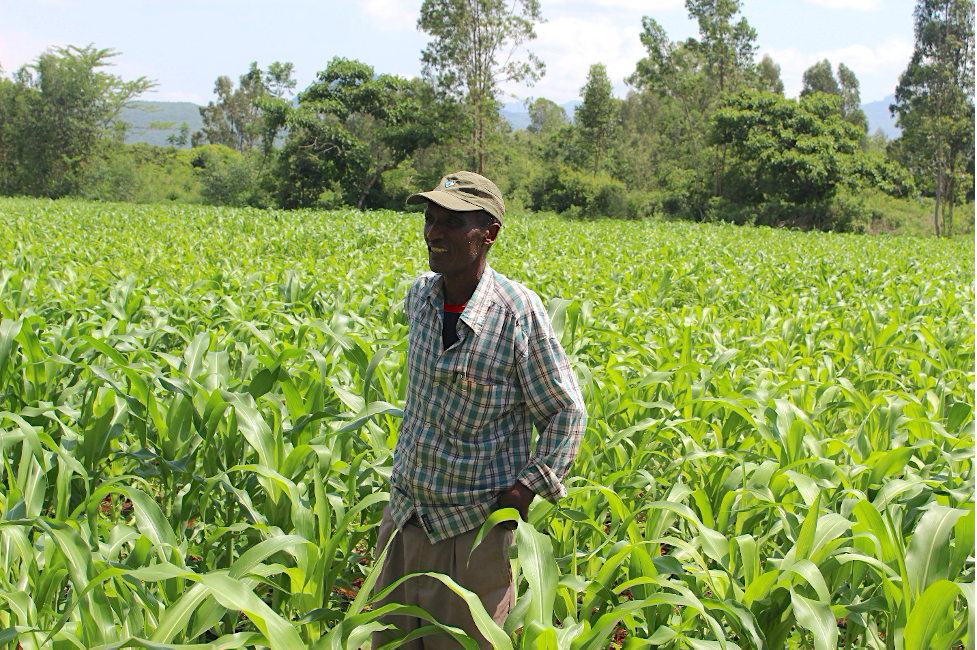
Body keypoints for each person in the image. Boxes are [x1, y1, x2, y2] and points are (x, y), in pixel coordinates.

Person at [371, 171, 587, 649]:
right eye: (430, 220)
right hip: (406, 515)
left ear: (488, 232)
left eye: (451, 221)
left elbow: (567, 412)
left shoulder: (516, 314)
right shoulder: (420, 297)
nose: (433, 232)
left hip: (472, 532)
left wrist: (526, 489)